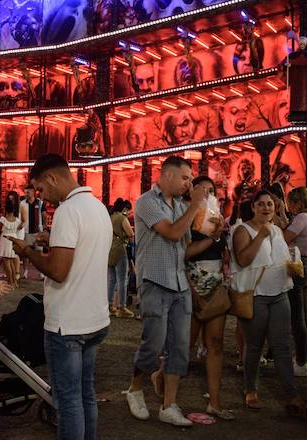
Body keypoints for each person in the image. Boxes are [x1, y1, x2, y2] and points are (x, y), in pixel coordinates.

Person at [10, 153, 111, 440]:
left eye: (40, 188)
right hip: (95, 319)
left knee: (68, 402)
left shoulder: (68, 211)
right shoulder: (97, 206)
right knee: (86, 394)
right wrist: (51, 239)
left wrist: (27, 251)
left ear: (52, 178)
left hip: (68, 324)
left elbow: (58, 271)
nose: (41, 196)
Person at [125, 155, 206, 428]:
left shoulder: (180, 206)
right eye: (185, 178)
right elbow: (172, 233)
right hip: (155, 281)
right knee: (154, 343)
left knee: (180, 348)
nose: (188, 184)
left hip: (180, 284)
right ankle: (135, 388)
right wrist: (195, 206)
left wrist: (214, 237)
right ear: (168, 175)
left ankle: (168, 405)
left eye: (190, 180)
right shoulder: (147, 202)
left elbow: (184, 249)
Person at [231, 189, 307, 414]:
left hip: (280, 293)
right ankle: (250, 390)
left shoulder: (277, 230)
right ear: (253, 207)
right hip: (255, 296)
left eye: (270, 204)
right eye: (261, 204)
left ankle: (292, 396)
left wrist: (294, 267)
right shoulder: (242, 230)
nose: (266, 208)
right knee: (254, 346)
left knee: (283, 346)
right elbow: (243, 260)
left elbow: (282, 258)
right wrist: (261, 236)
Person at [184, 176, 233, 420]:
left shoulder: (217, 218)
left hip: (215, 283)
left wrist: (221, 238)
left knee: (216, 343)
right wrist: (212, 238)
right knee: (186, 346)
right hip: (192, 282)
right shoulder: (185, 217)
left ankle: (214, 402)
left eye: (211, 191)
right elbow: (183, 253)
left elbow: (222, 252)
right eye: (202, 190)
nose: (207, 194)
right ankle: (162, 381)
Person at [282, 186, 307, 376]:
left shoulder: (301, 218)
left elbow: (284, 238)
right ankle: (305, 359)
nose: (289, 206)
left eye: (290, 203)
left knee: (298, 318)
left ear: (297, 202)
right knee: (304, 317)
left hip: (299, 265)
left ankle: (301, 361)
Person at [108, 198, 134, 317]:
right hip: (120, 249)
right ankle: (121, 307)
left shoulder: (110, 216)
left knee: (112, 280)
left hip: (110, 249)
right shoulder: (122, 218)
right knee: (122, 280)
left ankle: (109, 305)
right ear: (124, 208)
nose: (128, 213)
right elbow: (130, 233)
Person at [0, 192, 24, 288]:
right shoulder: (17, 220)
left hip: (5, 239)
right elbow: (19, 228)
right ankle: (14, 282)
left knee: (6, 262)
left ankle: (10, 281)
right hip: (13, 239)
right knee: (12, 262)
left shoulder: (3, 219)